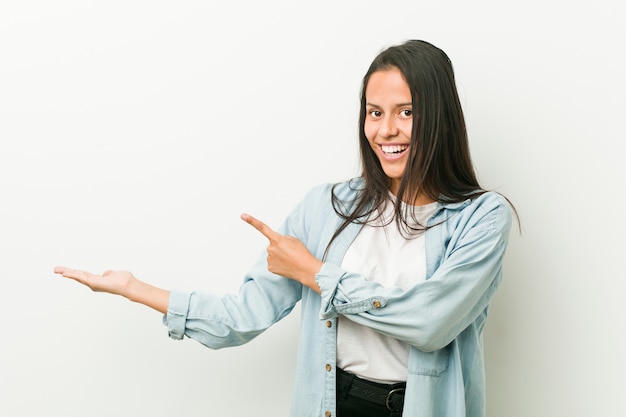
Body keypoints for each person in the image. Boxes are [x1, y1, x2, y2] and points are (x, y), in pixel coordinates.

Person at [54, 39, 514, 417]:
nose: (386, 130)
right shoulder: (327, 208)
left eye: (406, 112)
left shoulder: (481, 217)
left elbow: (431, 322)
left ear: (439, 117)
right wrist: (136, 288)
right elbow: (244, 315)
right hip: (336, 404)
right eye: (375, 112)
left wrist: (316, 274)